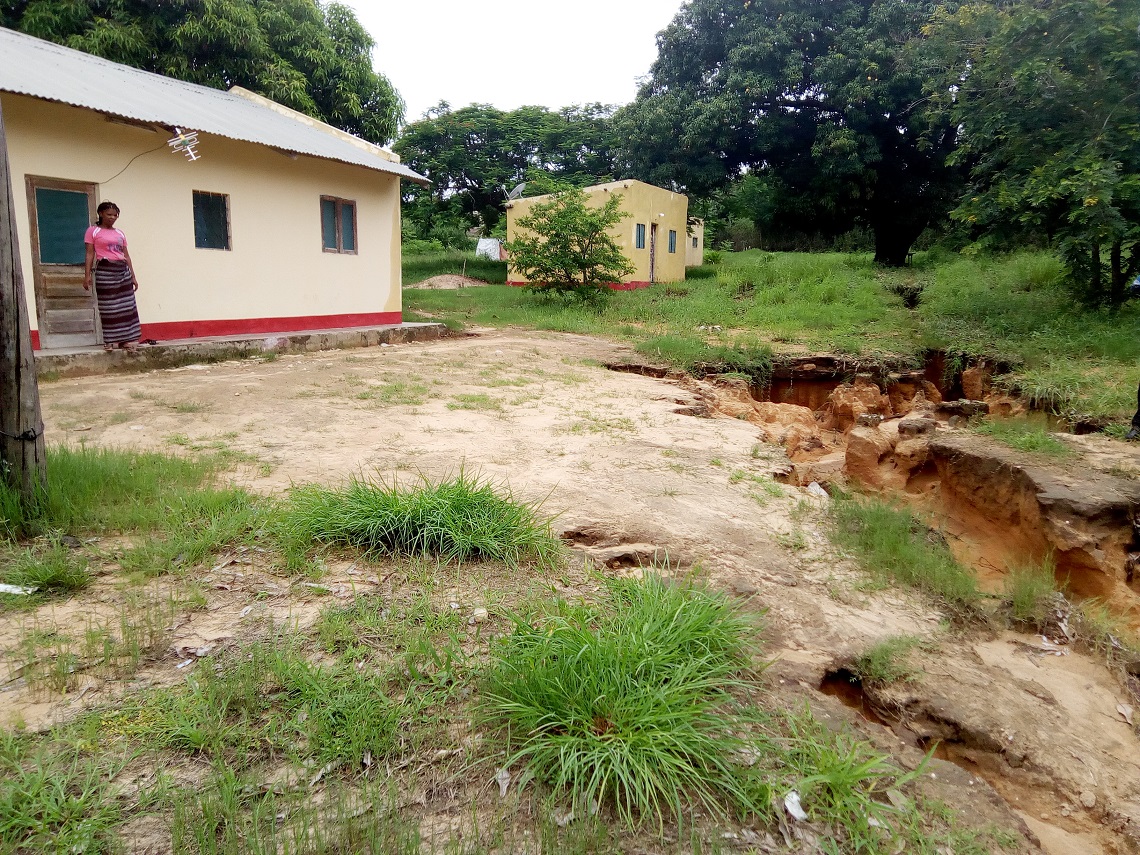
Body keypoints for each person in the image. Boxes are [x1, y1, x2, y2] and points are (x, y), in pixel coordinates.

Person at [83, 201, 141, 353]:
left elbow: (126, 256)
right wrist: (87, 275)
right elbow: (90, 254)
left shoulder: (120, 233)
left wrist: (133, 276)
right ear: (101, 214)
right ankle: (110, 341)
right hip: (105, 271)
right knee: (108, 307)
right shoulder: (93, 231)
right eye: (109, 214)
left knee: (126, 307)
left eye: (115, 215)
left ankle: (126, 341)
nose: (113, 217)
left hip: (122, 271)